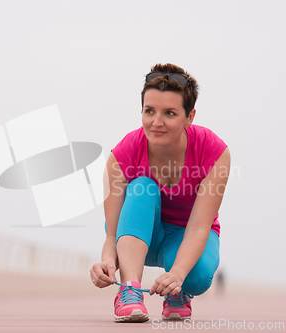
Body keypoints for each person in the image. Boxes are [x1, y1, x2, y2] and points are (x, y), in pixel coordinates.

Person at [90, 63, 230, 323]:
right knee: (142, 186)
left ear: (189, 117)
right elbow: (112, 232)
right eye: (149, 111)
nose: (156, 122)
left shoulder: (214, 151)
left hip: (186, 235)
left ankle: (178, 293)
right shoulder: (122, 155)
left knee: (196, 278)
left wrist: (177, 274)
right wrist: (107, 262)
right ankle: (130, 292)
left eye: (170, 113)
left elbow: (200, 227)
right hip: (140, 236)